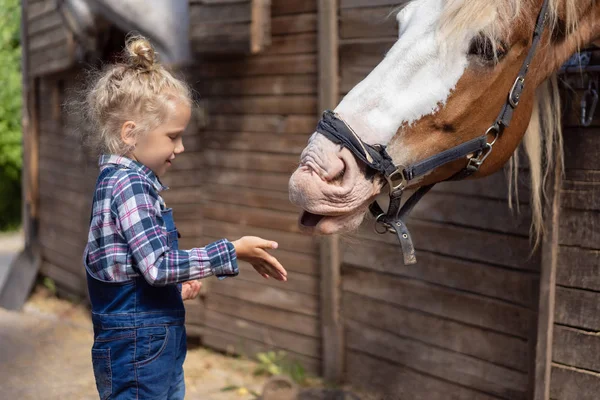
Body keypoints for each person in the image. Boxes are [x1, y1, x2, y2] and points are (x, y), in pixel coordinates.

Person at [80, 34, 287, 399]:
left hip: (148, 341)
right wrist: (232, 250)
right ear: (131, 134)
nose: (181, 147)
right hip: (138, 346)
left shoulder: (122, 181)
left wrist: (174, 287)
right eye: (173, 136)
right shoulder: (130, 185)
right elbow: (157, 266)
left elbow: (132, 267)